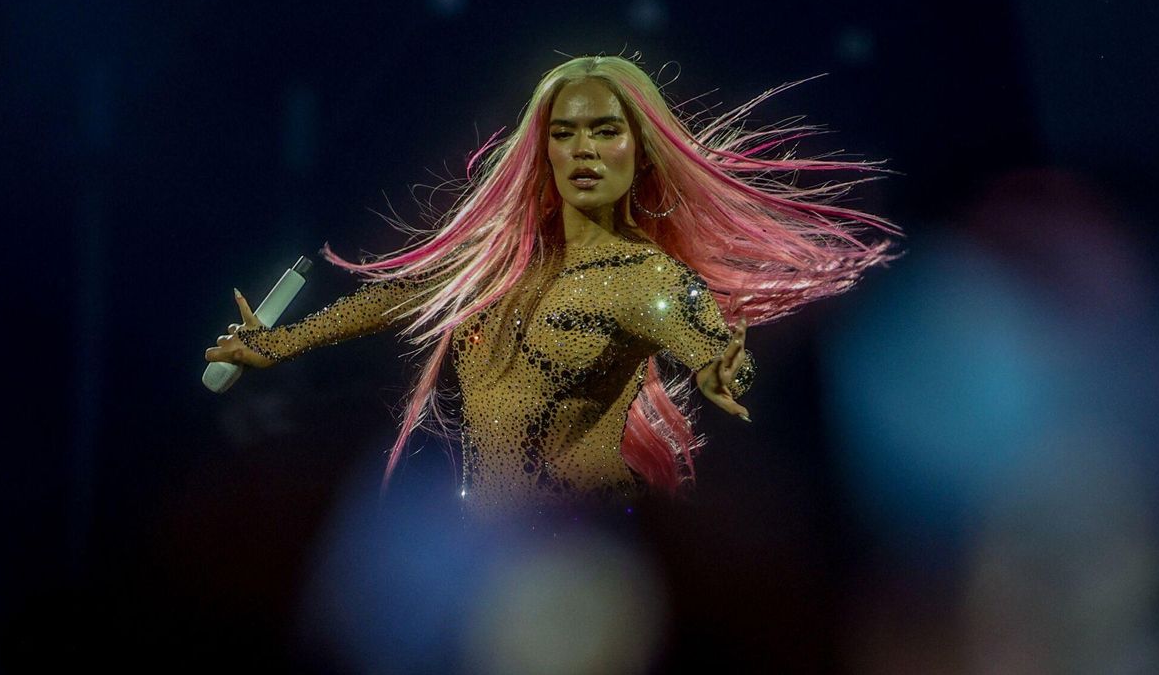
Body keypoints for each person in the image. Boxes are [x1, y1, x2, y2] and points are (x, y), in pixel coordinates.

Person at [204, 54, 899, 522]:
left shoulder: (650, 282)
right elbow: (387, 299)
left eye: (605, 130)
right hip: (487, 544)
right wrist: (278, 343)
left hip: (586, 549)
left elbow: (719, 355)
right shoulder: (497, 267)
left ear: (641, 147)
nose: (584, 151)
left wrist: (729, 368)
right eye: (564, 133)